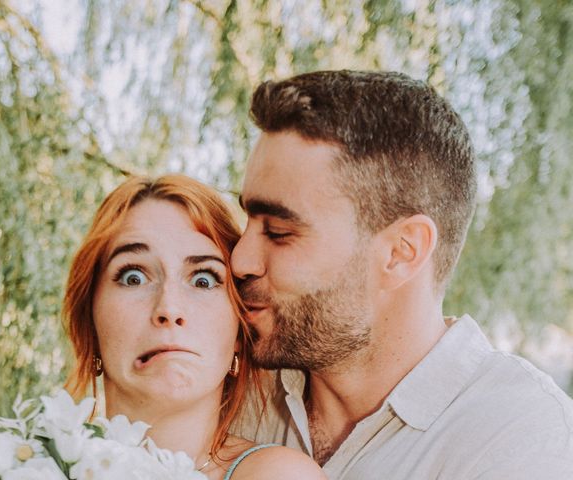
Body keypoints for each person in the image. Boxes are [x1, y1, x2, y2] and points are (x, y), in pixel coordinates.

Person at [231, 70, 573, 479]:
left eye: (279, 232)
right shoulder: (229, 390)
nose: (239, 260)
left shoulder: (522, 441)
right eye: (247, 221)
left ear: (401, 252)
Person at [62, 175, 327, 480]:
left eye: (204, 280)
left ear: (239, 335)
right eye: (133, 277)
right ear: (89, 322)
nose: (169, 309)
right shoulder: (27, 459)